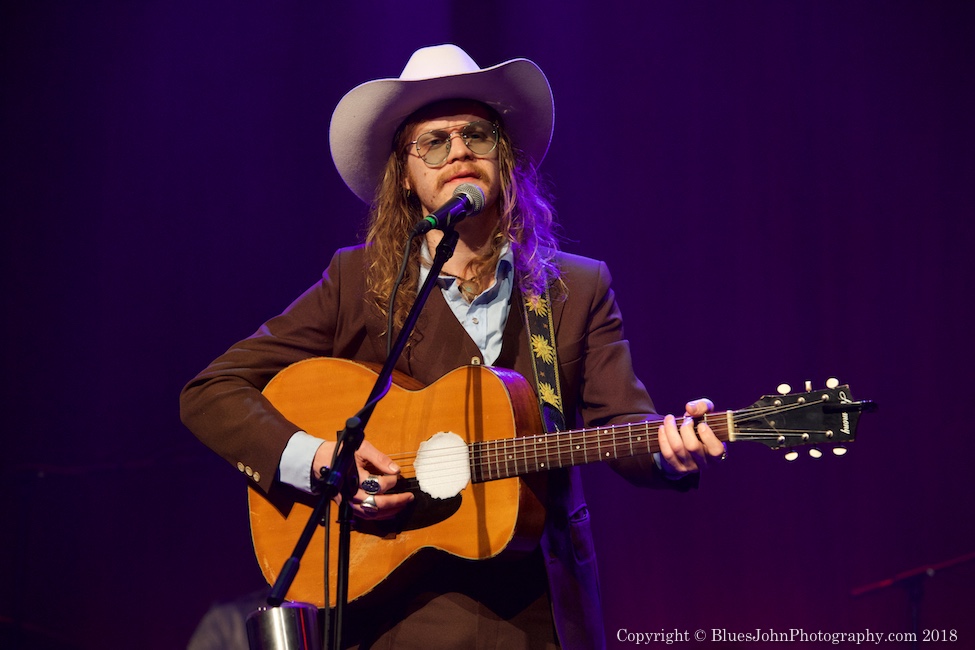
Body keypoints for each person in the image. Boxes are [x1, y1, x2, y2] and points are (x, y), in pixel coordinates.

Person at [180, 44, 727, 649]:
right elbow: (212, 392)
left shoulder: (576, 287)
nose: (459, 151)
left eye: (477, 134)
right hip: (398, 617)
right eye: (433, 142)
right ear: (405, 176)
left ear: (506, 158)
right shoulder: (358, 284)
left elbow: (622, 423)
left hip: (542, 619)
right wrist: (316, 459)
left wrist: (665, 449)